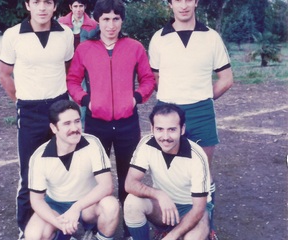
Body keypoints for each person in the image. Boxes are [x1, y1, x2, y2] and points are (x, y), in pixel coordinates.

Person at [66, 0, 156, 238]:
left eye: (116, 18)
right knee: (97, 178)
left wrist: (136, 98)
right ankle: (97, 226)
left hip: (128, 123)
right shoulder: (85, 49)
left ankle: (129, 227)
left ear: (122, 21)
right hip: (96, 123)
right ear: (97, 20)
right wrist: (87, 102)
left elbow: (148, 80)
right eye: (105, 19)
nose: (111, 24)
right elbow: (72, 81)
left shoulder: (135, 47)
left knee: (129, 177)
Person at [148, 0, 233, 238]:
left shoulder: (212, 37)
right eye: (177, 0)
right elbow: (157, 78)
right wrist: (172, 106)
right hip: (167, 112)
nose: (183, 5)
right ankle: (166, 223)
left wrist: (201, 98)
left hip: (201, 111)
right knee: (166, 169)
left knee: (203, 170)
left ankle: (207, 223)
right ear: (169, 3)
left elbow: (226, 79)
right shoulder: (158, 38)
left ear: (196, 2)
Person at [0, 0, 74, 238]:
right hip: (29, 110)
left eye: (48, 2)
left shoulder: (66, 33)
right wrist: (21, 101)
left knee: (65, 166)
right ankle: (26, 227)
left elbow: (67, 67)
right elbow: (4, 73)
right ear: (28, 5)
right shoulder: (13, 35)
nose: (42, 7)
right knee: (29, 171)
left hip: (59, 107)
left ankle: (65, 226)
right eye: (37, 2)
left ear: (54, 7)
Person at [24, 100, 119, 240]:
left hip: (88, 204)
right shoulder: (39, 156)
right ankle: (66, 234)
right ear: (54, 128)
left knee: (110, 205)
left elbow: (106, 186)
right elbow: (36, 200)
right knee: (33, 235)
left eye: (77, 121)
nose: (75, 128)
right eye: (67, 124)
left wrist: (76, 208)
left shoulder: (92, 143)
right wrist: (57, 222)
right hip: (57, 206)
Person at [124, 103, 212, 240]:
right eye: (159, 129)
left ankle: (197, 231)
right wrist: (159, 194)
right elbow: (130, 184)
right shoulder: (146, 144)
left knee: (193, 237)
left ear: (182, 129)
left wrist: (171, 236)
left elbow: (199, 208)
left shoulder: (197, 156)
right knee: (131, 203)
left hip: (192, 208)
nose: (165, 137)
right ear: (152, 129)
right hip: (164, 206)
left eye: (171, 129)